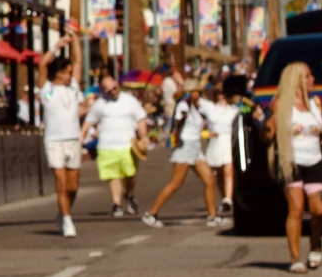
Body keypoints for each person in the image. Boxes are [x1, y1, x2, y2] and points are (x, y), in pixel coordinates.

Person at [271, 61, 322, 273]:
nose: (312, 79)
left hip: (314, 160)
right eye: (307, 76)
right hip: (291, 161)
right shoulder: (280, 104)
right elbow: (268, 134)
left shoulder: (315, 103)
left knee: (320, 211)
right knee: (296, 209)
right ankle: (295, 258)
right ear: (296, 80)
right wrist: (267, 127)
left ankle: (315, 244)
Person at [142, 77, 215, 228]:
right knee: (176, 183)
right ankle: (151, 213)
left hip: (195, 146)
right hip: (185, 146)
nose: (198, 94)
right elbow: (178, 121)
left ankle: (212, 216)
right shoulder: (184, 105)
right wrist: (182, 118)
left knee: (209, 180)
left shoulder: (197, 106)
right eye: (195, 92)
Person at [37, 27, 87, 237]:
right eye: (66, 72)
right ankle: (67, 220)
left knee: (73, 186)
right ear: (59, 73)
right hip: (54, 141)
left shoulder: (73, 89)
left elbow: (78, 63)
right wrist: (55, 46)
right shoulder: (47, 92)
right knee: (61, 182)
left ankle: (63, 211)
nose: (70, 74)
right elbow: (41, 65)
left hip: (73, 140)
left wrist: (74, 40)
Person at [81, 74, 149, 219]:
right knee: (113, 176)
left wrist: (143, 136)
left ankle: (130, 195)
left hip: (128, 144)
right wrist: (81, 137)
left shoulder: (129, 100)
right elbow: (88, 122)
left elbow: (141, 119)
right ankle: (116, 204)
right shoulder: (99, 104)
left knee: (130, 174)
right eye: (109, 90)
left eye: (114, 88)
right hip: (107, 145)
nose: (113, 92)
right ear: (103, 91)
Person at [199, 77, 244, 221]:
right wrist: (203, 80)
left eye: (223, 92)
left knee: (228, 169)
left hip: (228, 140)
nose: (221, 94)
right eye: (218, 91)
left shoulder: (234, 108)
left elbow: (247, 107)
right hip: (215, 141)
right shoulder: (210, 107)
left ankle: (228, 199)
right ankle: (225, 197)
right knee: (218, 172)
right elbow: (194, 96)